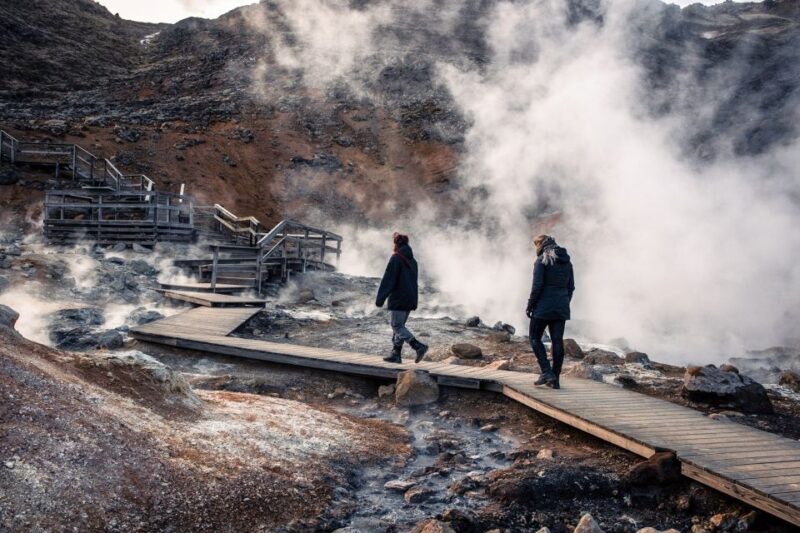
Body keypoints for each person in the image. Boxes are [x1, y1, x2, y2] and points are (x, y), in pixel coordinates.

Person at [526, 234, 575, 389]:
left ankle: (547, 372)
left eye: (536, 245)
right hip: (561, 306)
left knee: (534, 338)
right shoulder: (567, 262)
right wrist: (564, 302)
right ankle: (555, 380)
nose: (536, 248)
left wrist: (530, 305)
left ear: (541, 244)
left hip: (543, 307)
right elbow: (571, 287)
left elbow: (537, 286)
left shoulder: (542, 260)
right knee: (557, 341)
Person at [376, 232, 429, 363]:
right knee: (400, 326)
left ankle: (418, 346)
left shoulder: (396, 258)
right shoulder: (413, 261)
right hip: (410, 298)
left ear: (396, 244)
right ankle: (396, 354)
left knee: (397, 326)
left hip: (399, 298)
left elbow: (389, 280)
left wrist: (380, 298)